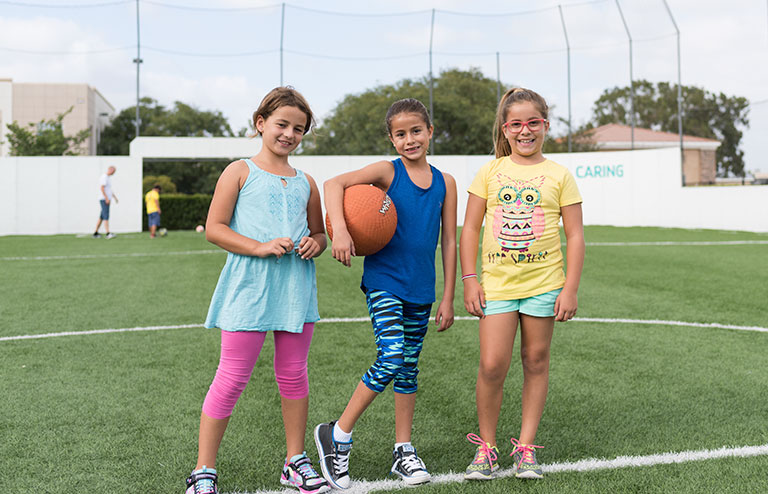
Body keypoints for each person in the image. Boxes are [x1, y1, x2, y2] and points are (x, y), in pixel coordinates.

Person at [184, 87, 330, 494]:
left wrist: (315, 243)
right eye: (282, 124)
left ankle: (295, 462)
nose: (289, 134)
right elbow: (215, 228)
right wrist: (259, 247)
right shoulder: (239, 170)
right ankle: (204, 471)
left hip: (296, 290)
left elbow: (319, 233)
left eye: (298, 129)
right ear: (260, 123)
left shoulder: (307, 181)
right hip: (248, 287)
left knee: (294, 376)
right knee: (231, 378)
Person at [314, 98, 457, 489]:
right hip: (385, 281)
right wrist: (339, 231)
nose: (409, 139)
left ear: (430, 131)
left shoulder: (446, 182)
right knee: (392, 355)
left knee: (408, 367)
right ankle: (337, 435)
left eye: (416, 131)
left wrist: (447, 297)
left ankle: (403, 450)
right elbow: (333, 184)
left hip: (422, 288)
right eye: (400, 134)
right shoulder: (385, 171)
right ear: (391, 139)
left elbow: (449, 241)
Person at [459, 87, 585, 481]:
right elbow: (470, 228)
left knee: (535, 361)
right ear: (505, 128)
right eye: (516, 124)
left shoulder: (560, 175)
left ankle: (526, 449)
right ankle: (487, 447)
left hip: (545, 284)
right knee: (493, 364)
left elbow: (576, 236)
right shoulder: (491, 172)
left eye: (533, 123)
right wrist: (469, 279)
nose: (525, 130)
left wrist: (570, 288)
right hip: (497, 286)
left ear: (545, 125)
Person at [93, 166, 118, 239]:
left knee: (102, 216)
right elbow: (102, 188)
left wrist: (114, 197)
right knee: (106, 215)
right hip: (104, 199)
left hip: (106, 199)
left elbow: (109, 190)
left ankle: (96, 232)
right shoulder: (104, 177)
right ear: (110, 170)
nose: (114, 173)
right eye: (114, 171)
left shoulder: (108, 178)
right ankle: (108, 233)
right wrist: (106, 198)